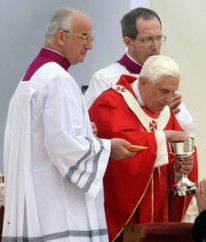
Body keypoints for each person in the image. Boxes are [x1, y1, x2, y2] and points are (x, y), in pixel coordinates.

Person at [2, 8, 135, 242]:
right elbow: (64, 146)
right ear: (61, 37)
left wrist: (85, 131)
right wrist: (108, 147)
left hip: (37, 200)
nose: (90, 46)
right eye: (84, 37)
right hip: (57, 212)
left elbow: (45, 135)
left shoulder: (34, 76)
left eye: (91, 38)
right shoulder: (58, 80)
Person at [89, 55, 198, 241]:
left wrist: (181, 164)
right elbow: (124, 149)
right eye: (164, 91)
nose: (169, 99)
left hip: (159, 215)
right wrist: (164, 137)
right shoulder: (110, 103)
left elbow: (176, 153)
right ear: (144, 83)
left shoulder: (164, 112)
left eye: (174, 92)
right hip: (126, 216)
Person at [84, 7, 196, 137]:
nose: (155, 46)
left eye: (159, 38)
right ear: (128, 42)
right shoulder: (105, 79)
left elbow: (188, 131)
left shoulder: (166, 77)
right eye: (147, 39)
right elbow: (88, 129)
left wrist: (165, 112)